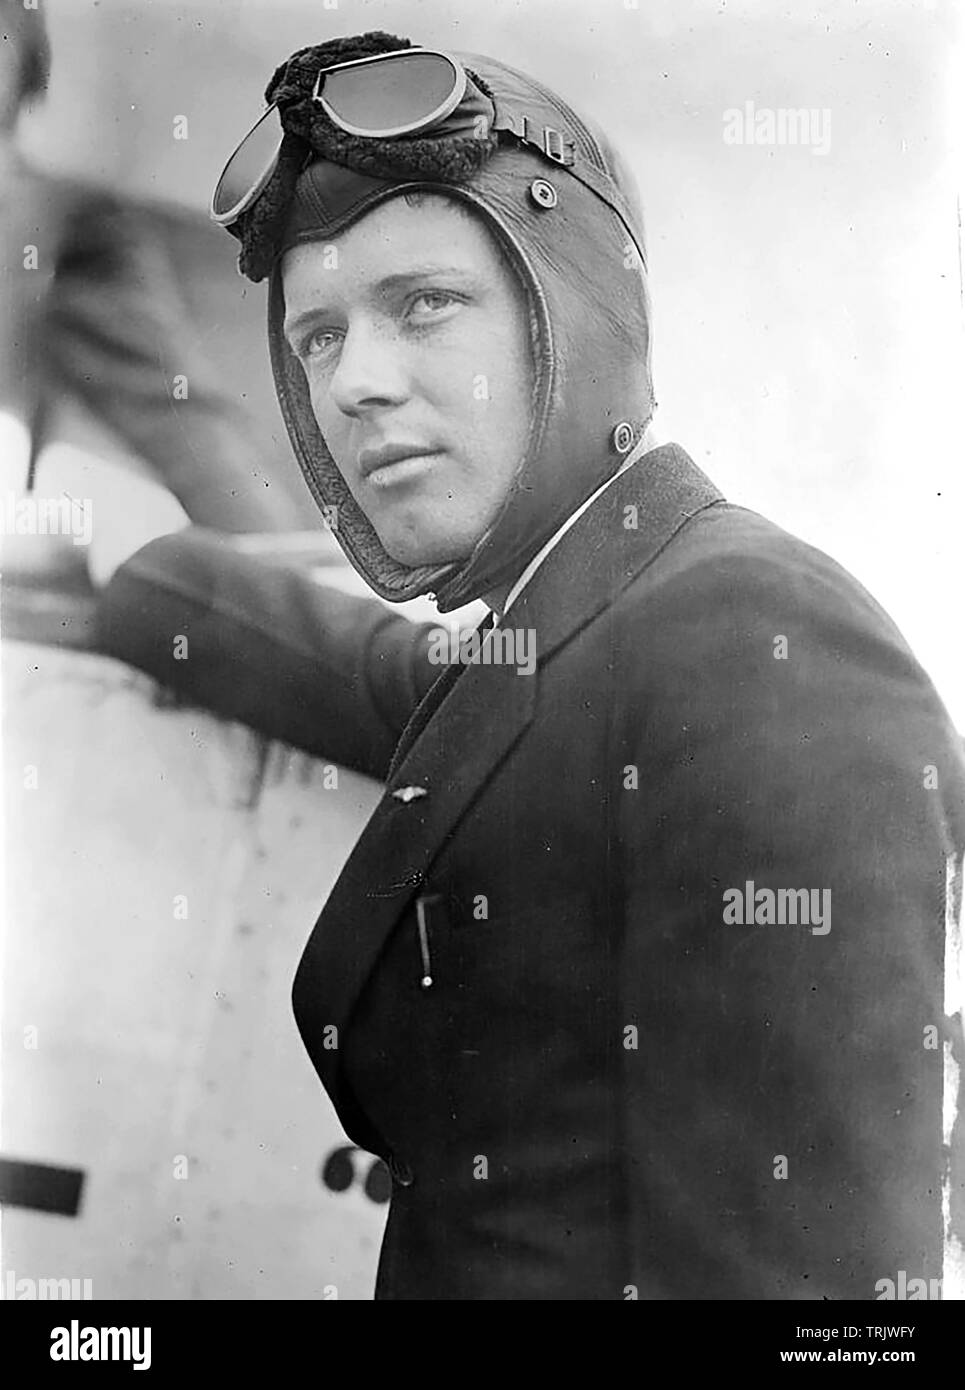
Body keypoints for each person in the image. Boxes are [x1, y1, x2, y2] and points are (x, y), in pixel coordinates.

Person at [94, 30, 965, 1299]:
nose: (358, 385)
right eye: (320, 336)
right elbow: (364, 670)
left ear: (573, 307)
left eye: (424, 306)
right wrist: (129, 569)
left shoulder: (761, 653)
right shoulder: (567, 625)